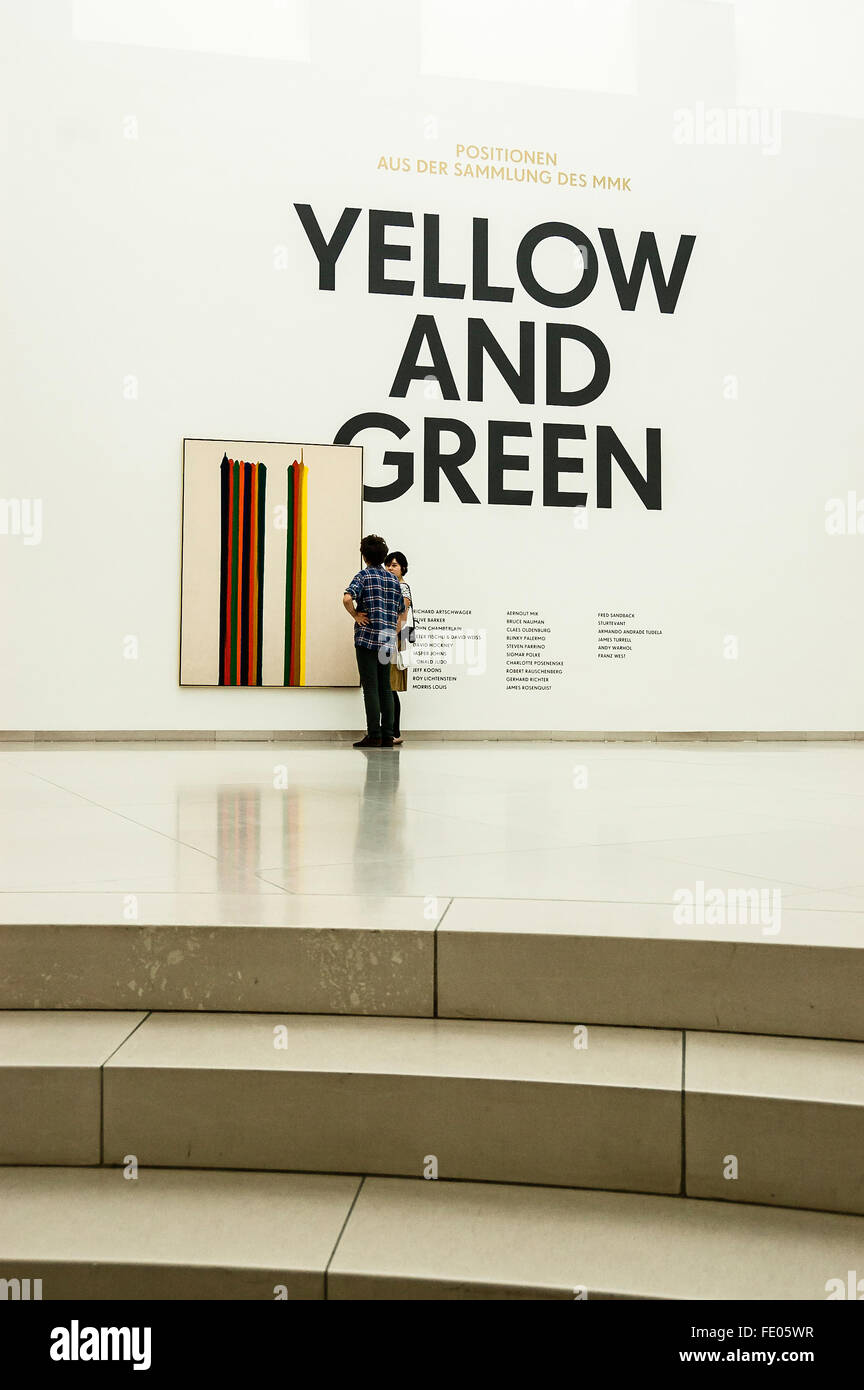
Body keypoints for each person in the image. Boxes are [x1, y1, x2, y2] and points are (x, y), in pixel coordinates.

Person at [342, 535, 405, 749]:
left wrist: (356, 616)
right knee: (385, 687)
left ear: (364, 555)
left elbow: (347, 598)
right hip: (387, 639)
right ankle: (388, 735)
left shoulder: (363, 576)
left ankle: (374, 734)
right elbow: (400, 611)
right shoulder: (392, 580)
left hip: (367, 637)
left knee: (370, 687)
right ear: (383, 556)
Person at [386, 551, 413, 745]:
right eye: (388, 565)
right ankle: (391, 730)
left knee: (391, 685)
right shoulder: (392, 586)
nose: (390, 568)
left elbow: (402, 618)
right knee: (388, 686)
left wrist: (390, 637)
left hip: (396, 639)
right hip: (392, 638)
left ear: (403, 567)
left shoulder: (403, 588)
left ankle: (394, 732)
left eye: (394, 565)